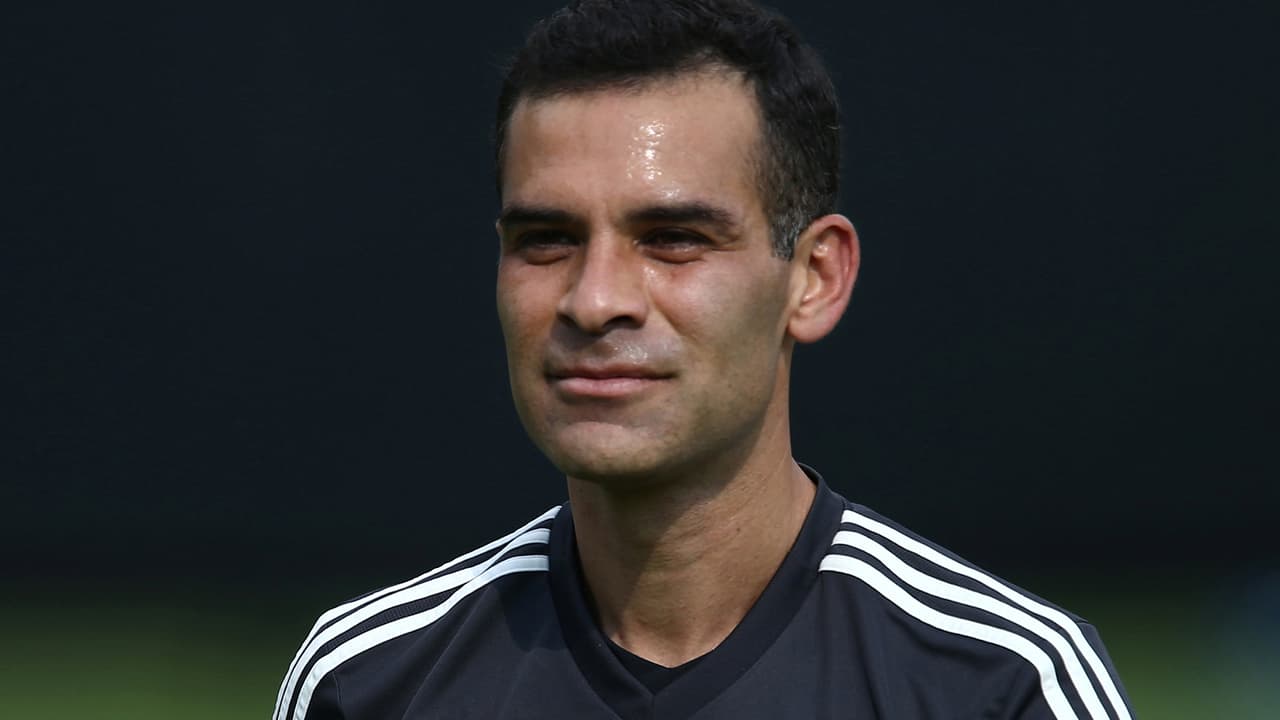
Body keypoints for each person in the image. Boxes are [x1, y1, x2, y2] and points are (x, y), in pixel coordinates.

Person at [273, 1, 1134, 718]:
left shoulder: (1001, 687)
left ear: (815, 278)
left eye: (674, 238)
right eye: (546, 239)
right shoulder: (369, 684)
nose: (594, 300)